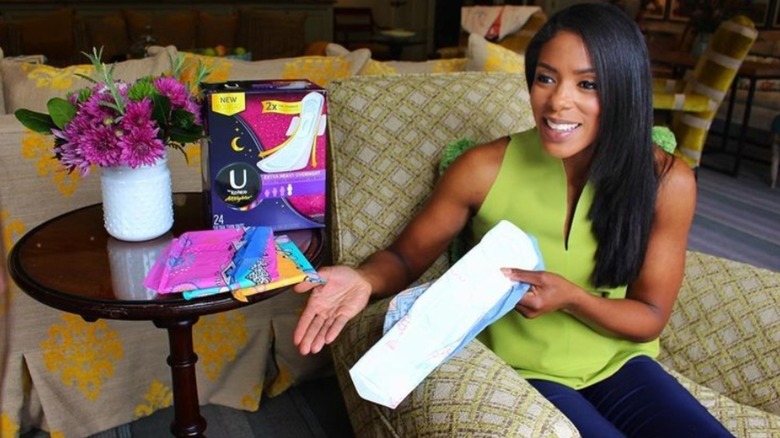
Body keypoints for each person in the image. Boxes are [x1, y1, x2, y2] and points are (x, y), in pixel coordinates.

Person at [293, 3, 732, 437]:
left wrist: (573, 299)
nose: (558, 102)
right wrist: (363, 278)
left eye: (588, 84)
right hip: (520, 368)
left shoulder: (666, 180)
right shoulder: (482, 168)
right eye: (545, 78)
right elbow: (405, 257)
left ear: (624, 89)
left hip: (619, 363)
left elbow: (651, 314)